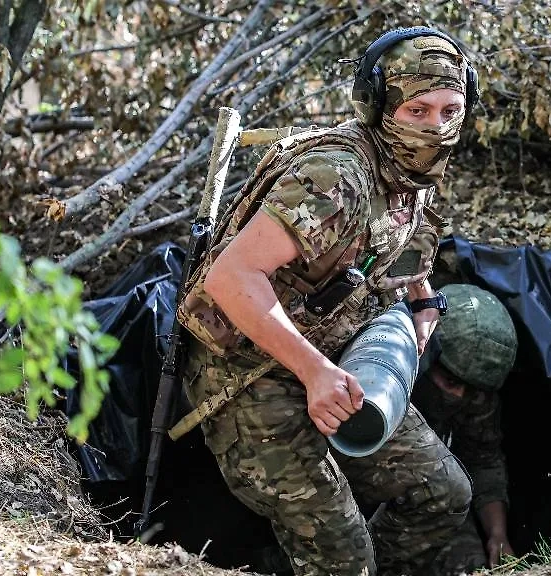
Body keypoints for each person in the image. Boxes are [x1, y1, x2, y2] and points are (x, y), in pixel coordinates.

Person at [177, 27, 481, 576]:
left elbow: (395, 242)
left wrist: (419, 295)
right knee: (344, 556)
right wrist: (315, 372)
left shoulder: (411, 170)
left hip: (339, 362)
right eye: (417, 110)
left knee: (445, 495)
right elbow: (231, 277)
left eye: (449, 110)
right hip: (251, 380)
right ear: (380, 107)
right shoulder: (334, 176)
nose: (436, 127)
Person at [409, 283, 518, 576]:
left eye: (469, 388)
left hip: (436, 499)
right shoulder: (391, 378)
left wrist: (497, 535)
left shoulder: (477, 396)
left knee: (469, 567)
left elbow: (483, 459)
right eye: (451, 382)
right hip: (359, 493)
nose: (458, 397)